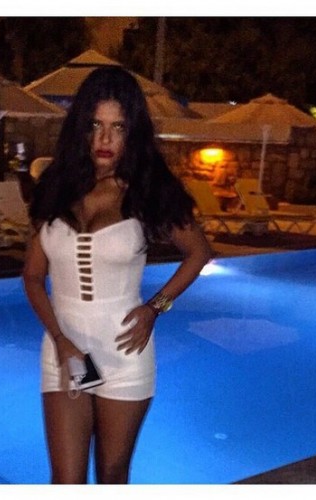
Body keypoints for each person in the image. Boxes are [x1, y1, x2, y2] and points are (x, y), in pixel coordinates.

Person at [22, 66, 212, 484]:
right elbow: (33, 277)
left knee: (112, 474)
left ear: (133, 133)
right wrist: (59, 339)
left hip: (124, 353)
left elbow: (198, 253)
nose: (105, 139)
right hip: (66, 350)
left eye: (118, 127)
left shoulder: (148, 190)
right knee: (66, 481)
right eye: (96, 125)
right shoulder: (55, 185)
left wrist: (155, 308)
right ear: (81, 128)